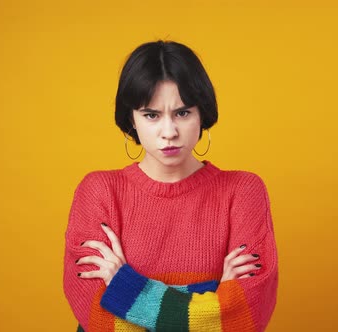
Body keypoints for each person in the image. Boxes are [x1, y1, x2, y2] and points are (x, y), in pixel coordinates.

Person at [63, 40, 278, 331]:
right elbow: (97, 320)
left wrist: (125, 288)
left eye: (183, 113)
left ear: (203, 113)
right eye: (151, 115)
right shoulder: (100, 191)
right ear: (131, 119)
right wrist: (211, 302)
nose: (169, 132)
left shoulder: (243, 191)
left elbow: (246, 320)